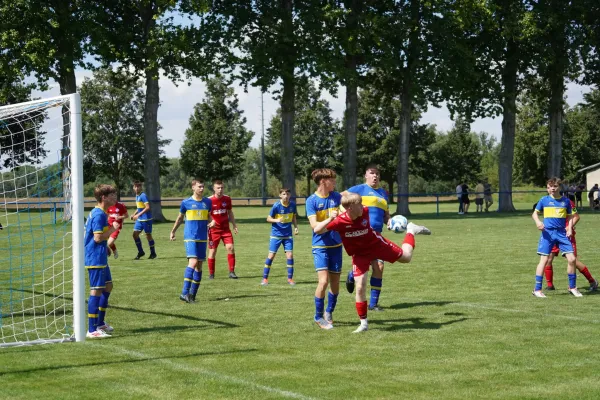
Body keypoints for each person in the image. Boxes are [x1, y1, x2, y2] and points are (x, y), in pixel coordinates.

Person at [313, 192, 431, 333]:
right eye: (359, 205)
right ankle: (363, 324)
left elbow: (378, 215)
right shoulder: (339, 221)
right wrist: (329, 219)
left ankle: (411, 230)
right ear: (350, 208)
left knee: (406, 257)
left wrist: (390, 222)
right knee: (360, 285)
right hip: (359, 255)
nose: (363, 207)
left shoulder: (365, 211)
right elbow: (317, 230)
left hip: (377, 245)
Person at [345, 164, 390, 311]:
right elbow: (341, 198)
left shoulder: (383, 193)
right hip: (361, 235)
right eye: (372, 173)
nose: (375, 176)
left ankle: (373, 304)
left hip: (376, 236)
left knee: (379, 267)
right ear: (366, 175)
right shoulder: (358, 189)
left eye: (377, 174)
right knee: (364, 267)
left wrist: (390, 221)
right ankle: (352, 274)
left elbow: (385, 215)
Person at [532, 177, 581, 298]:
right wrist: (538, 222)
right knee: (544, 260)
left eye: (554, 186)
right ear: (547, 189)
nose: (552, 189)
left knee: (572, 259)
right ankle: (537, 289)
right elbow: (534, 214)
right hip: (548, 233)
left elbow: (570, 217)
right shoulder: (544, 200)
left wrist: (569, 228)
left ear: (559, 187)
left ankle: (572, 287)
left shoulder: (566, 201)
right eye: (549, 187)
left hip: (561, 234)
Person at [306, 168, 343, 330]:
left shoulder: (337, 197)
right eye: (332, 180)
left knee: (335, 284)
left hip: (336, 245)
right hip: (320, 246)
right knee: (323, 281)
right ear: (323, 182)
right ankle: (318, 316)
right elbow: (315, 228)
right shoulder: (311, 201)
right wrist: (330, 218)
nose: (334, 182)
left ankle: (329, 312)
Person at [84, 184, 120, 338]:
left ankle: (100, 322)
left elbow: (99, 237)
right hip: (95, 257)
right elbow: (98, 238)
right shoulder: (99, 214)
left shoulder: (100, 213)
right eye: (112, 195)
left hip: (100, 255)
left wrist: (107, 247)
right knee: (96, 290)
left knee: (108, 286)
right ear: (104, 197)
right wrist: (113, 229)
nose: (115, 197)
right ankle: (92, 330)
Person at [170, 179, 213, 303]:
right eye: (199, 186)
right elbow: (179, 218)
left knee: (199, 267)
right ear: (193, 188)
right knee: (193, 262)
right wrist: (173, 231)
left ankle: (192, 295)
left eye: (203, 186)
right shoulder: (186, 203)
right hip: (190, 237)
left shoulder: (207, 202)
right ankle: (184, 293)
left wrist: (212, 221)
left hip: (202, 238)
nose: (202, 189)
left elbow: (208, 216)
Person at [543, 197, 598, 292]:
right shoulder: (547, 201)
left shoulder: (567, 202)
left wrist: (569, 227)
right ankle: (550, 285)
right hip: (553, 234)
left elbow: (576, 216)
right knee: (548, 259)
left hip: (566, 235)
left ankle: (592, 281)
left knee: (573, 261)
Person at [261, 188, 299, 286]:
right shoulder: (276, 206)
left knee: (290, 255)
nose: (286, 196)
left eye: (287, 194)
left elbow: (294, 217)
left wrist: (295, 227)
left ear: (290, 195)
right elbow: (268, 218)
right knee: (271, 256)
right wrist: (277, 220)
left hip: (288, 235)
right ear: (280, 195)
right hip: (276, 235)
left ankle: (290, 279)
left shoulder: (293, 205)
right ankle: (265, 279)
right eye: (283, 194)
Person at [207, 180, 239, 279]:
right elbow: (206, 215)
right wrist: (210, 222)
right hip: (214, 230)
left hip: (225, 230)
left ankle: (232, 272)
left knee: (230, 248)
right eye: (218, 188)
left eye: (222, 188)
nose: (220, 190)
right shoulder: (209, 200)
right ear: (214, 188)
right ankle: (211, 274)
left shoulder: (227, 199)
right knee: (212, 252)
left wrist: (234, 225)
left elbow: (230, 212)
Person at [131, 181, 156, 260]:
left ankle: (153, 253)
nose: (137, 188)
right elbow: (140, 207)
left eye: (138, 186)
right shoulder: (137, 196)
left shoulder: (143, 195)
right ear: (133, 188)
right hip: (140, 219)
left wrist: (137, 215)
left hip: (146, 219)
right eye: (135, 186)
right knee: (135, 234)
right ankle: (141, 252)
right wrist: (134, 214)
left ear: (141, 187)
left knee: (148, 235)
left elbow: (147, 207)